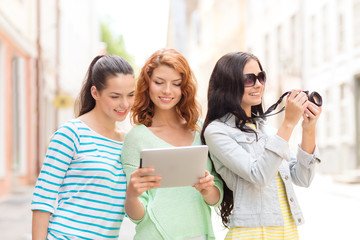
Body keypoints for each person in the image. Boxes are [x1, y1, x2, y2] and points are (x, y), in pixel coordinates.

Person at [201, 52, 322, 240]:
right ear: (228, 84)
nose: (258, 84)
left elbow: (302, 178)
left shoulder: (266, 128)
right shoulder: (217, 131)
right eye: (249, 79)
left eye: (261, 77)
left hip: (287, 233)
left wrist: (308, 129)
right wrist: (288, 123)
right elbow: (258, 175)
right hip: (252, 234)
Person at [121, 48, 223, 240]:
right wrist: (132, 195)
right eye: (159, 82)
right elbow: (136, 216)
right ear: (147, 84)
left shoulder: (201, 130)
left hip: (199, 234)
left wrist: (208, 189)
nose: (167, 90)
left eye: (176, 84)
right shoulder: (136, 138)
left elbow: (216, 199)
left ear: (184, 88)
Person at [31, 55, 135, 240]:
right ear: (95, 93)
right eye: (115, 96)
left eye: (130, 95)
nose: (125, 104)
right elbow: (43, 200)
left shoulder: (129, 143)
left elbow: (128, 208)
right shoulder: (71, 134)